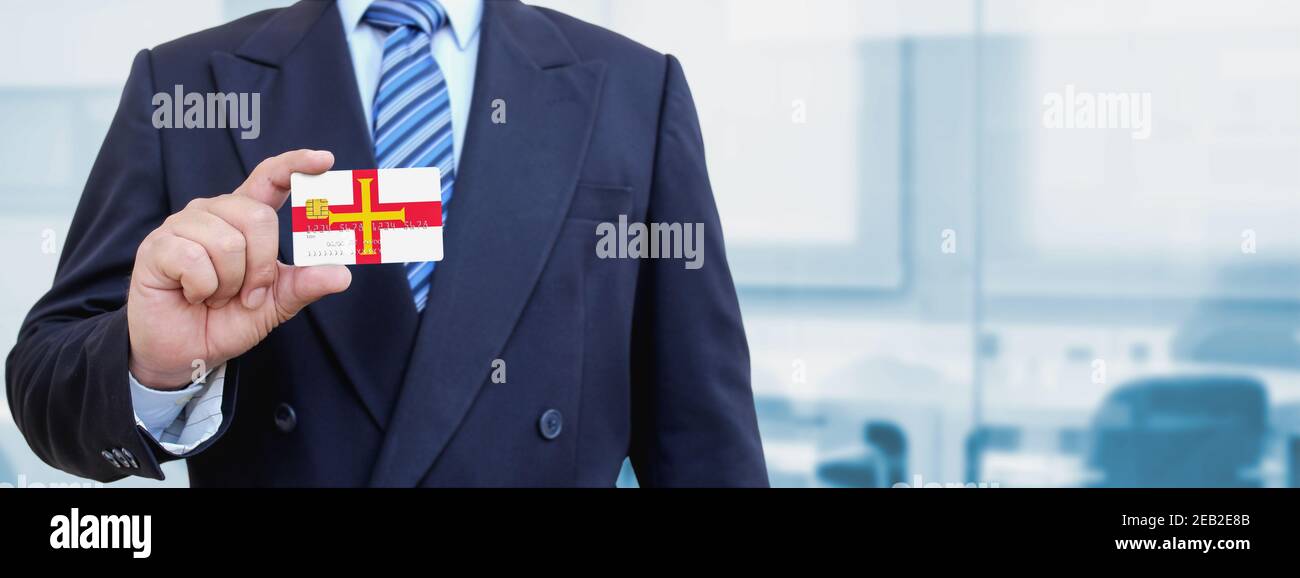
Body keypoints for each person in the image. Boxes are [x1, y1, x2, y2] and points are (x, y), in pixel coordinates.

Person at [5, 0, 767, 487]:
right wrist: (154, 367)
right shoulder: (185, 83)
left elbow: (706, 444)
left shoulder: (638, 88)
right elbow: (45, 386)